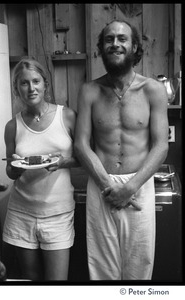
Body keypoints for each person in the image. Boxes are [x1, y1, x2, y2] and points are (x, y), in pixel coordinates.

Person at [74, 20, 169, 280]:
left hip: (138, 186)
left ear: (134, 46)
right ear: (101, 48)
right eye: (108, 39)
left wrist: (129, 187)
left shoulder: (153, 90)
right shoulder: (89, 90)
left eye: (122, 39)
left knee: (139, 266)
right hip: (100, 184)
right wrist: (107, 185)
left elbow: (161, 145)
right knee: (102, 268)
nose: (115, 44)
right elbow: (81, 143)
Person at [2, 58, 78, 281]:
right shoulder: (12, 125)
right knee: (30, 280)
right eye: (24, 83)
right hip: (21, 213)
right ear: (17, 88)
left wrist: (63, 162)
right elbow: (10, 171)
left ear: (45, 84)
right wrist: (16, 167)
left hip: (58, 213)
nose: (31, 88)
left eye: (36, 81)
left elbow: (84, 158)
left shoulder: (67, 116)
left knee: (57, 282)